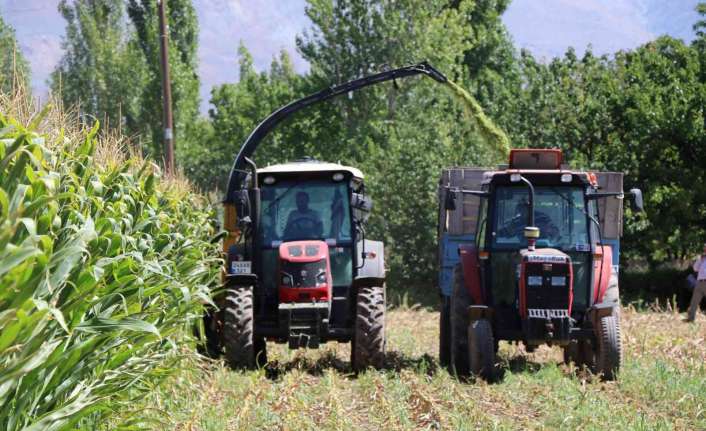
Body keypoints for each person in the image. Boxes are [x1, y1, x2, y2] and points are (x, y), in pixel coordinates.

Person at [686, 243, 706, 322]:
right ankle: (691, 319)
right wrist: (699, 259)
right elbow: (695, 269)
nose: (705, 249)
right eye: (704, 248)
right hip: (699, 282)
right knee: (694, 301)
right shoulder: (702, 258)